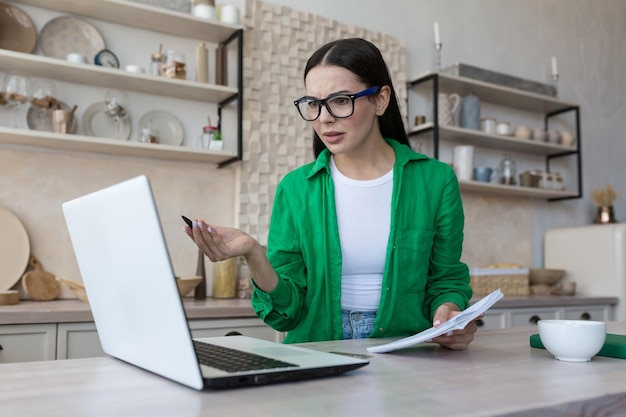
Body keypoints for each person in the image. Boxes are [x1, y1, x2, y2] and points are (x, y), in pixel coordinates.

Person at [184, 37, 477, 350]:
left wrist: (450, 315)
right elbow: (286, 313)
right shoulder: (296, 189)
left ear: (381, 99)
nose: (323, 118)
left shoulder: (436, 180)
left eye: (340, 100)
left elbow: (445, 279)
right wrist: (254, 253)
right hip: (318, 350)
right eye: (313, 103)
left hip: (407, 353)